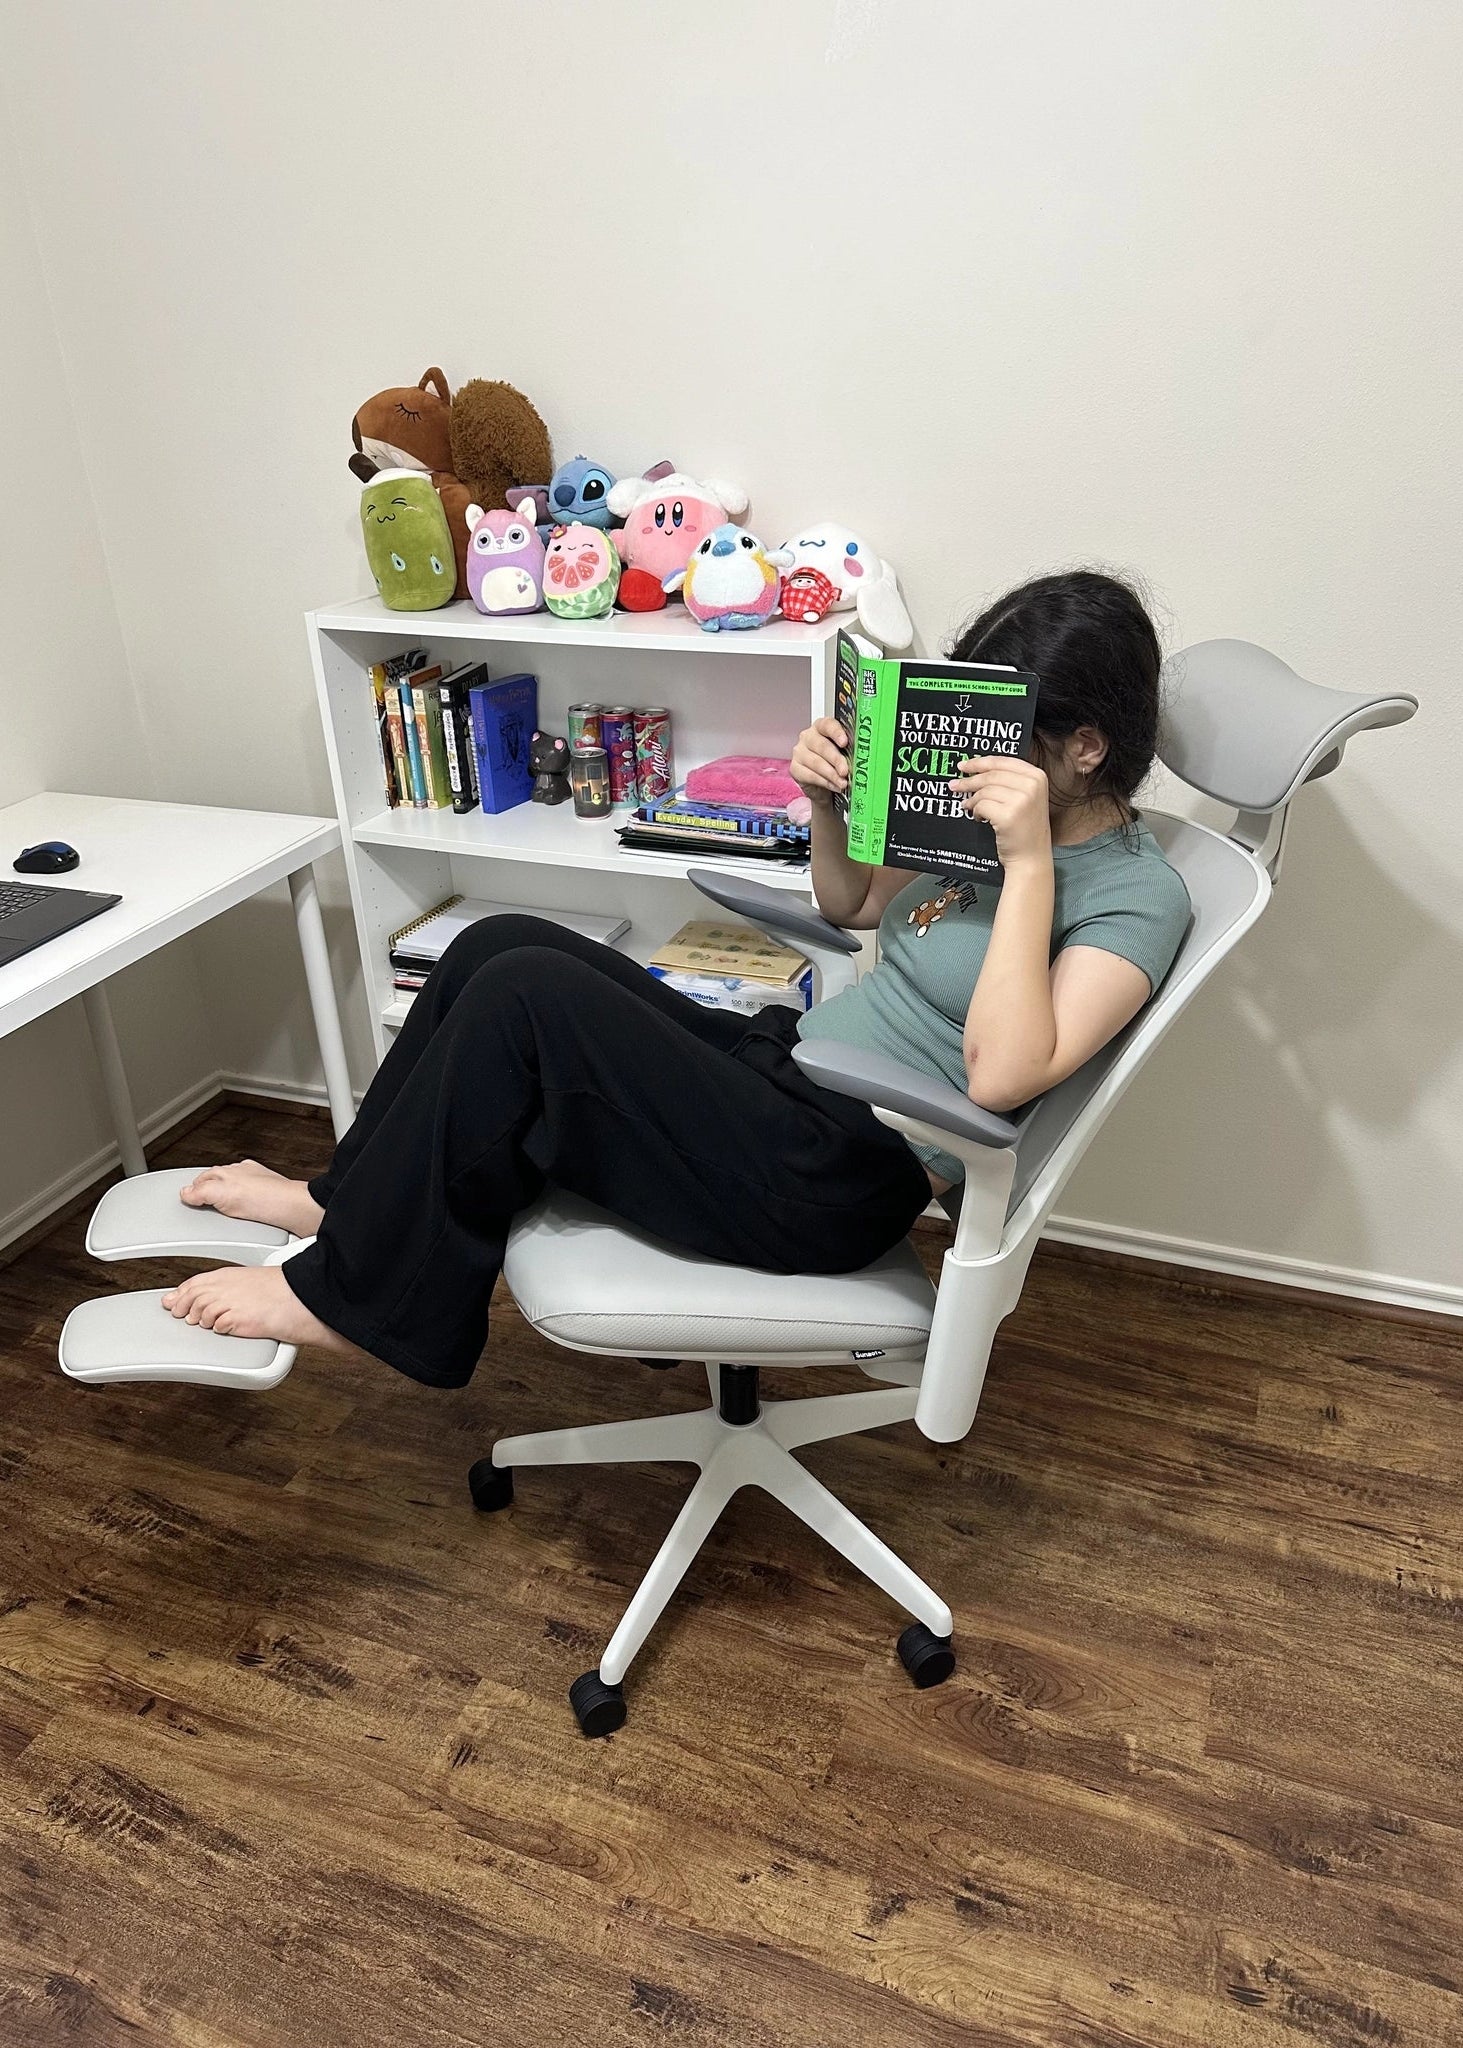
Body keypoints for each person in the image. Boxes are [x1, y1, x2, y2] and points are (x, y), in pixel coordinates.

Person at [161, 568, 1190, 1388]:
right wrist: (823, 801)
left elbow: (1004, 1073)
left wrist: (1022, 865)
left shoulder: (1131, 896)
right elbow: (850, 906)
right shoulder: (996, 819)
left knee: (527, 1003)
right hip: (786, 1077)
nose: (971, 763)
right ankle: (338, 1203)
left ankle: (358, 1302)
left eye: (1004, 732)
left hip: (837, 1172)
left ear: (1083, 748)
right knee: (498, 944)